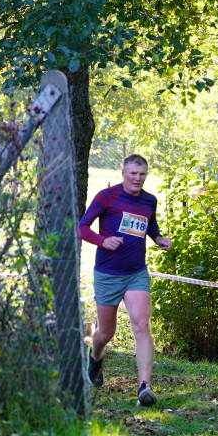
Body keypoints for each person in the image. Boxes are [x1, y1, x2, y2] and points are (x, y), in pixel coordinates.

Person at [78, 154, 171, 406]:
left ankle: (144, 386)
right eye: (133, 173)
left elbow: (149, 225)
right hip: (108, 273)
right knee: (106, 333)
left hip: (136, 272)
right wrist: (102, 241)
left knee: (142, 325)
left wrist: (158, 239)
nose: (137, 178)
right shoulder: (106, 197)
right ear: (123, 172)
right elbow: (82, 227)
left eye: (141, 174)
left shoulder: (149, 200)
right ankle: (95, 356)